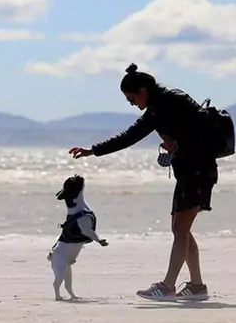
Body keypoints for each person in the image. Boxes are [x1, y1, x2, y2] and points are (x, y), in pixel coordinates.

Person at [68, 63, 217, 301]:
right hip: (189, 170)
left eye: (131, 98)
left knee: (181, 229)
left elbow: (201, 132)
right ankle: (197, 287)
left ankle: (168, 287)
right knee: (181, 229)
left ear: (143, 90)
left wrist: (176, 143)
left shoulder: (173, 100)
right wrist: (92, 151)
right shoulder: (156, 111)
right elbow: (129, 136)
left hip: (199, 170)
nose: (132, 104)